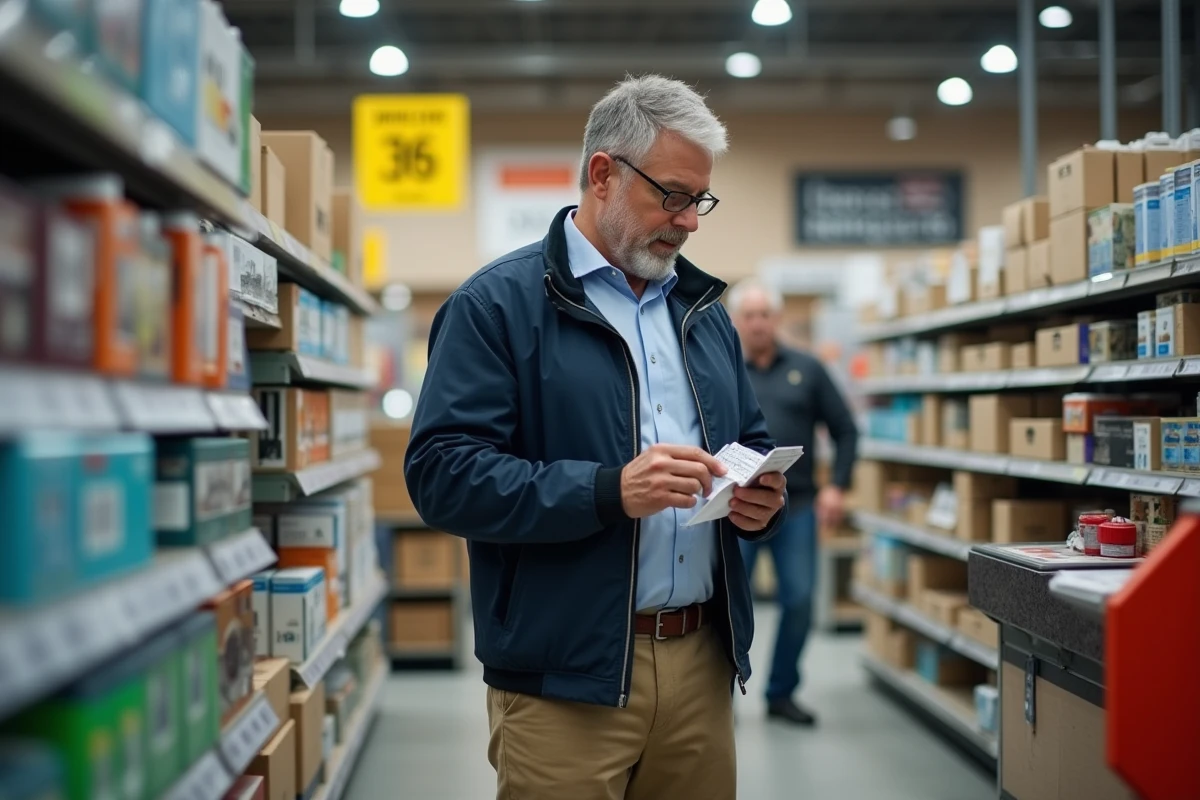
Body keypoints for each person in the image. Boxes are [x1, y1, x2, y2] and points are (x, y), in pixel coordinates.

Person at [403, 75, 788, 800]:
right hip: (564, 680)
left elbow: (751, 438)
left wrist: (763, 501)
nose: (690, 221)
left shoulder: (705, 313)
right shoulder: (497, 307)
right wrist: (609, 490)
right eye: (672, 195)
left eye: (699, 200)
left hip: (702, 666)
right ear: (603, 174)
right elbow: (442, 475)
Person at [727, 279, 859, 727]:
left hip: (797, 506)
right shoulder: (723, 369)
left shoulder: (808, 368)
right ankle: (717, 695)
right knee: (726, 604)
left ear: (777, 320)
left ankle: (781, 692)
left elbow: (845, 429)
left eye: (766, 314)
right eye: (750, 315)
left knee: (800, 599)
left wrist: (837, 486)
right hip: (734, 507)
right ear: (736, 321)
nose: (759, 323)